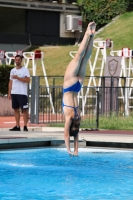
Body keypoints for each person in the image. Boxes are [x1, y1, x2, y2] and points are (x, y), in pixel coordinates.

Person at [63, 22, 96, 156]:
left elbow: (75, 135)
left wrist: (76, 150)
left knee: (85, 58)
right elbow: (66, 133)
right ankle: (88, 33)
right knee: (78, 56)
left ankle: (92, 36)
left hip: (77, 86)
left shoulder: (77, 118)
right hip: (69, 85)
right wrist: (69, 150)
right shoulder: (69, 118)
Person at [8, 55, 30, 131]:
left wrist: (18, 78)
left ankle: (25, 126)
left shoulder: (25, 70)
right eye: (16, 60)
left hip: (22, 93)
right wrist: (9, 93)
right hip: (14, 92)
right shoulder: (12, 70)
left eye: (19, 60)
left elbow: (27, 80)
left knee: (24, 110)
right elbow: (10, 82)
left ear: (21, 61)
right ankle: (17, 126)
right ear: (15, 61)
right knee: (15, 109)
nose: (17, 61)